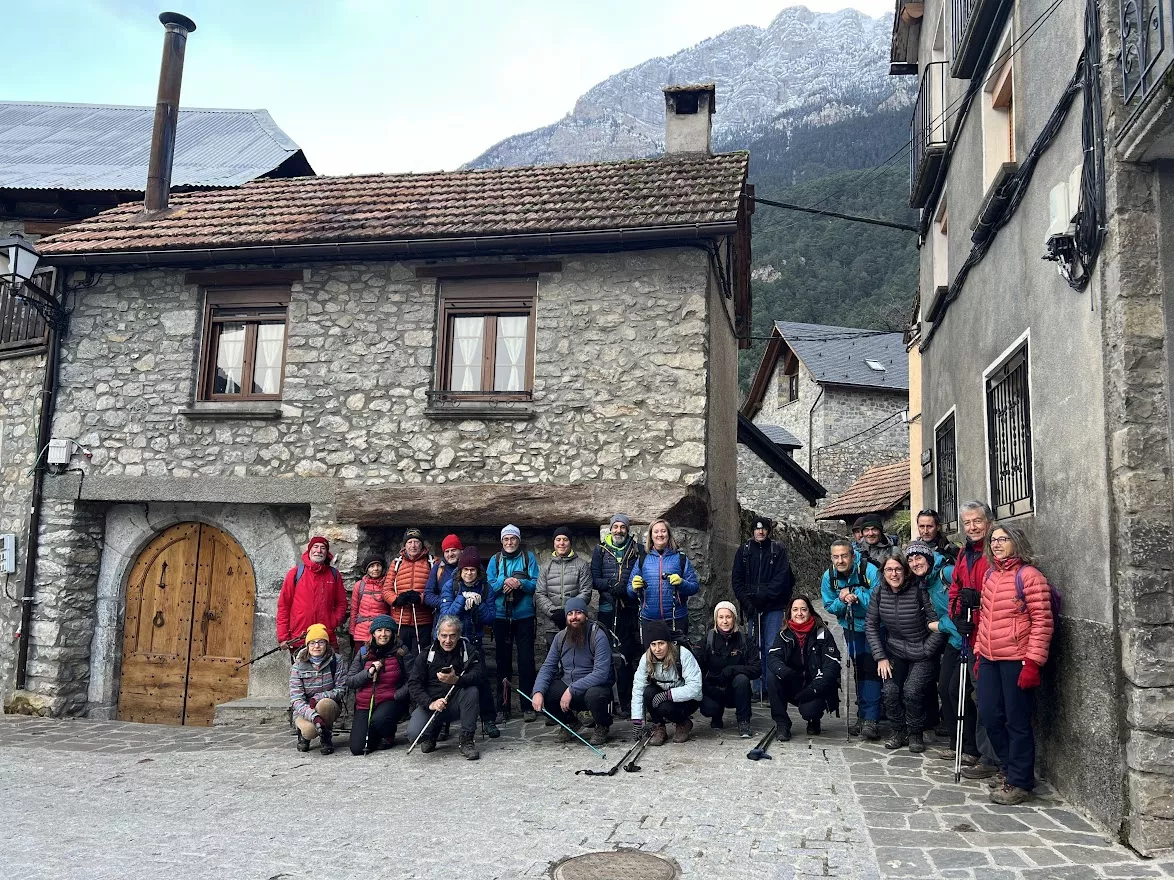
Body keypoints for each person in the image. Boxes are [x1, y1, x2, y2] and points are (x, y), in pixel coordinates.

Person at [974, 523, 1055, 805]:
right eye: (993, 540)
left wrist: (1032, 663)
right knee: (987, 713)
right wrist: (978, 652)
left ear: (1016, 542)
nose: (996, 544)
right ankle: (1009, 768)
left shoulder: (1030, 577)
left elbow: (1043, 621)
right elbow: (985, 618)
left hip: (1016, 659)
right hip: (989, 657)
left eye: (1003, 539)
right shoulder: (990, 576)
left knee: (1017, 721)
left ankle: (1020, 781)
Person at [866, 552, 945, 753]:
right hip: (896, 652)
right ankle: (898, 732)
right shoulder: (879, 593)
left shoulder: (919, 590)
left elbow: (938, 623)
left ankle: (915, 733)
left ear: (905, 571)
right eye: (889, 570)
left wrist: (927, 649)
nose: (894, 574)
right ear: (883, 573)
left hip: (923, 651)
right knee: (890, 691)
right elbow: (871, 625)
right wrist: (881, 657)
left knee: (912, 691)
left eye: (898, 569)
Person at [948, 500, 1002, 779]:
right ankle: (981, 751)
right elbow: (956, 587)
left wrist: (980, 603)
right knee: (973, 693)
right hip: (969, 633)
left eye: (977, 521)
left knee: (986, 697)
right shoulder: (964, 553)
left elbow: (1000, 592)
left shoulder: (995, 551)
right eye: (967, 522)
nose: (972, 527)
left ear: (989, 522)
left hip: (991, 635)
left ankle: (991, 757)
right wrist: (956, 614)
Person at [531, 596, 615, 745]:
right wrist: (537, 691)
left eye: (578, 613)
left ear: (586, 616)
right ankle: (570, 721)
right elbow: (548, 667)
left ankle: (602, 726)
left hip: (593, 687)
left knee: (596, 696)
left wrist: (572, 689)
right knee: (547, 692)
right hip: (569, 685)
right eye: (570, 614)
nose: (574, 617)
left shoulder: (598, 635)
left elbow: (601, 673)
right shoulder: (560, 637)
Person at [821, 538, 882, 739]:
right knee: (859, 669)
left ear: (853, 556)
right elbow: (830, 607)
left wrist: (856, 594)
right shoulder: (829, 577)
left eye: (844, 556)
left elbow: (879, 601)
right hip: (851, 628)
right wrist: (842, 599)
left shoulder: (870, 572)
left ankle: (871, 719)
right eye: (836, 557)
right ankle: (863, 716)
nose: (840, 560)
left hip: (875, 628)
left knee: (872, 669)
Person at [731, 517, 795, 699]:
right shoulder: (744, 551)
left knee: (770, 646)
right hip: (752, 608)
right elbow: (737, 579)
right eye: (757, 529)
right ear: (752, 531)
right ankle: (757, 687)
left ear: (768, 530)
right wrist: (747, 601)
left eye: (764, 529)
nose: (760, 532)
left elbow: (782, 577)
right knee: (754, 646)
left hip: (773, 606)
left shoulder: (778, 550)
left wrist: (765, 595)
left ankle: (770, 686)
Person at [440, 546, 499, 738]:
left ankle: (489, 719)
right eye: (465, 570)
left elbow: (491, 618)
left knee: (481, 680)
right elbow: (445, 616)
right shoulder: (451, 586)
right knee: (446, 681)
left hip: (474, 641)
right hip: (451, 641)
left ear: (478, 571)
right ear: (460, 570)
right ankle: (443, 723)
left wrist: (479, 604)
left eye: (472, 570)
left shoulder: (486, 587)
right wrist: (461, 599)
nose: (469, 573)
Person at [406, 615, 484, 760]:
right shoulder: (426, 654)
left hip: (456, 703)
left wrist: (457, 680)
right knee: (414, 734)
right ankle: (433, 732)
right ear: (437, 635)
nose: (448, 641)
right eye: (444, 635)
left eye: (452, 636)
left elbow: (479, 675)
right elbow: (413, 683)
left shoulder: (468, 651)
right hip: (432, 704)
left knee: (472, 691)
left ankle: (467, 740)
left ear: (459, 635)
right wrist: (430, 703)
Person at [765, 595, 842, 741]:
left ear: (810, 612)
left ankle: (814, 720)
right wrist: (784, 671)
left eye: (803, 609)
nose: (799, 613)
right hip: (792, 682)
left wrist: (813, 689)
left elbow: (832, 665)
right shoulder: (783, 634)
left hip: (814, 686)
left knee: (810, 711)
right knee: (772, 675)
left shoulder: (822, 634)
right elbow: (773, 657)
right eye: (795, 610)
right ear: (790, 613)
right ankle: (782, 723)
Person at [590, 513, 644, 713]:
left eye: (622, 527)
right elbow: (594, 578)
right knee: (606, 655)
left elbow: (641, 573)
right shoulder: (600, 550)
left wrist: (627, 587)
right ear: (610, 529)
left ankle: (628, 700)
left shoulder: (637, 550)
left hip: (629, 608)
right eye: (615, 527)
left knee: (628, 656)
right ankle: (609, 701)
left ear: (627, 529)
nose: (619, 530)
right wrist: (611, 584)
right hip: (607, 609)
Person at [488, 524, 540, 722]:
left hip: (524, 616)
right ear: (502, 541)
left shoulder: (529, 558)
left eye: (513, 539)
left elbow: (536, 583)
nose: (509, 542)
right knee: (503, 662)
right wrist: (506, 582)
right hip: (501, 616)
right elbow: (490, 586)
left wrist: (520, 583)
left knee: (526, 661)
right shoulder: (495, 560)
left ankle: (527, 706)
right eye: (506, 539)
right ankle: (503, 707)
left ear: (518, 540)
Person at [905, 540, 957, 739]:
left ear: (928, 558)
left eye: (918, 557)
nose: (915, 563)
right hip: (953, 640)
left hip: (967, 640)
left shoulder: (948, 573)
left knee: (957, 692)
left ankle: (971, 748)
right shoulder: (925, 582)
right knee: (945, 689)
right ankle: (956, 743)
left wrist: (939, 626)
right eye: (910, 560)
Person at [631, 620, 703, 745]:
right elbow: (638, 687)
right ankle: (659, 727)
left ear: (668, 643)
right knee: (648, 692)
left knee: (665, 707)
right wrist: (637, 720)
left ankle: (683, 723)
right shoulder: (646, 658)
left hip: (687, 699)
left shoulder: (683, 655)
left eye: (661, 643)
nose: (657, 649)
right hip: (663, 692)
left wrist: (668, 695)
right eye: (653, 644)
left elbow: (695, 687)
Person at [627, 519, 700, 643]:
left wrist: (682, 583)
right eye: (656, 532)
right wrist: (634, 587)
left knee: (676, 658)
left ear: (668, 534)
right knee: (652, 658)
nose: (660, 534)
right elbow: (629, 590)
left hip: (676, 618)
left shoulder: (680, 558)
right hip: (649, 619)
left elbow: (694, 587)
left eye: (663, 531)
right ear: (651, 535)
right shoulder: (643, 559)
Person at [697, 600, 761, 738]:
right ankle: (716, 715)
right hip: (713, 689)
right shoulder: (707, 640)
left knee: (742, 679)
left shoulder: (744, 640)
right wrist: (707, 685)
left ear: (734, 619)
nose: (725, 621)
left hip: (735, 691)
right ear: (716, 620)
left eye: (728, 617)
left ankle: (743, 721)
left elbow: (757, 669)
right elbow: (697, 669)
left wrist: (732, 670)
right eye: (721, 617)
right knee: (709, 708)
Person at [346, 614, 409, 754]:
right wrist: (368, 673)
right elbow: (350, 681)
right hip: (365, 703)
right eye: (379, 630)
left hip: (389, 700)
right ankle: (374, 735)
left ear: (393, 633)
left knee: (380, 719)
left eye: (387, 630)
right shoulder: (363, 652)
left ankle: (388, 734)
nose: (383, 634)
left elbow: (412, 679)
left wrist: (397, 695)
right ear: (373, 633)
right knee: (357, 748)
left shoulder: (401, 651)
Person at [277, 537, 347, 652]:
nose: (318, 551)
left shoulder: (334, 574)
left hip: (325, 637)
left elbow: (342, 603)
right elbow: (284, 605)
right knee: (301, 670)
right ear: (309, 550)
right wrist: (283, 636)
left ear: (326, 552)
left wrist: (332, 621)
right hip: (300, 638)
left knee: (329, 669)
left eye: (323, 548)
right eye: (315, 547)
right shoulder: (295, 573)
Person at [288, 623, 348, 755]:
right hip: (304, 709)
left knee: (324, 704)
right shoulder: (297, 666)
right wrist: (313, 716)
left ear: (326, 644)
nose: (316, 646)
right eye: (312, 643)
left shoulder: (336, 662)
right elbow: (296, 698)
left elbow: (341, 689)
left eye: (321, 642)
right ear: (307, 645)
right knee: (310, 731)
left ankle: (326, 736)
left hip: (327, 705)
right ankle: (304, 735)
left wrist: (318, 697)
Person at [535, 525, 592, 653]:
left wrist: (569, 612)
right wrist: (553, 613)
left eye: (565, 539)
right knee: (553, 657)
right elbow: (540, 593)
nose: (561, 543)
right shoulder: (545, 567)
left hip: (575, 621)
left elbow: (586, 592)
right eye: (558, 539)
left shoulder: (581, 565)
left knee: (576, 656)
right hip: (552, 621)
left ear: (570, 542)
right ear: (554, 543)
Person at [383, 528, 434, 654]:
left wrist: (421, 598)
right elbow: (386, 589)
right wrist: (395, 600)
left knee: (422, 656)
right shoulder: (397, 563)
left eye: (416, 542)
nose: (413, 545)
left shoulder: (432, 562)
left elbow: (437, 589)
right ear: (405, 545)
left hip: (423, 621)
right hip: (400, 621)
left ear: (422, 544)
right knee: (400, 656)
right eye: (410, 542)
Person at [348, 555, 389, 648]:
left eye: (378, 565)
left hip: (380, 631)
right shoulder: (359, 585)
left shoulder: (387, 584)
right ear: (366, 569)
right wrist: (352, 631)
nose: (375, 569)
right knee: (359, 659)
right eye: (372, 566)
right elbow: (354, 610)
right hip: (361, 631)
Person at [424, 534, 464, 625]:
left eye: (454, 550)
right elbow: (428, 595)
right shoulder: (438, 568)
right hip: (443, 620)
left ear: (461, 551)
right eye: (447, 551)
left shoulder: (471, 567)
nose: (450, 554)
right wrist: (445, 602)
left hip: (466, 620)